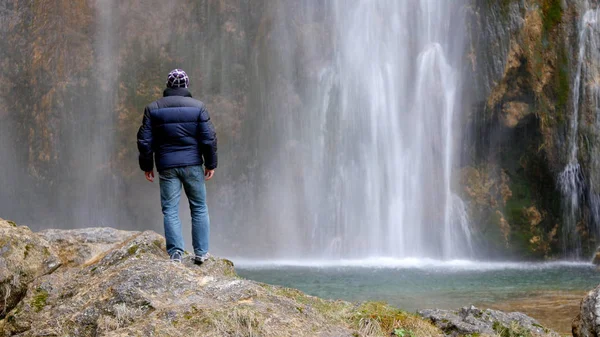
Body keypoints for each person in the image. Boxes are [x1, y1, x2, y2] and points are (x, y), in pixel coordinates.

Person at [137, 69, 217, 264]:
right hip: (193, 165)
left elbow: (144, 141)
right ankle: (201, 252)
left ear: (168, 85)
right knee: (199, 207)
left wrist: (147, 166)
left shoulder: (153, 108)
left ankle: (175, 254)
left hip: (166, 166)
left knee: (170, 210)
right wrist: (211, 163)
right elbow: (209, 139)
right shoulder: (198, 107)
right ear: (186, 85)